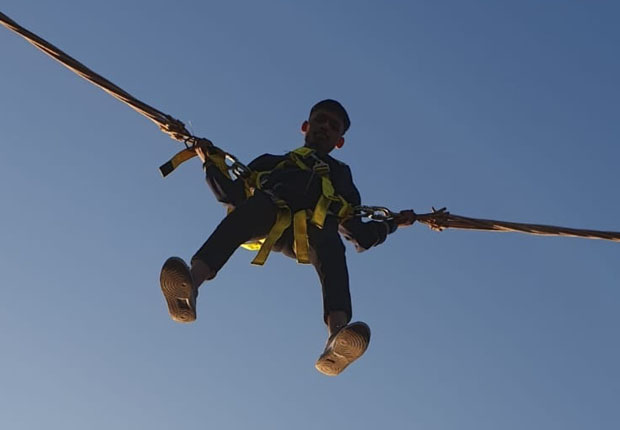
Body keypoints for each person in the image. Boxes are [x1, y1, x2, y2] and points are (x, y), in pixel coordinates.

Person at [160, 100, 416, 376]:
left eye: (333, 126)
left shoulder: (340, 176)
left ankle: (337, 336)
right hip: (271, 216)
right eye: (320, 120)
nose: (325, 127)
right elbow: (231, 195)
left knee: (330, 244)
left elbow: (360, 234)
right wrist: (209, 160)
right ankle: (190, 285)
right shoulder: (271, 163)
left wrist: (393, 223)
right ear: (306, 126)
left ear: (339, 141)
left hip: (310, 232)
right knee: (252, 209)